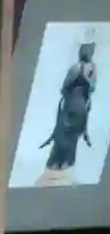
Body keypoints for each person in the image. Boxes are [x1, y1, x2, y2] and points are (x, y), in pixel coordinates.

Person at [40, 39, 97, 176]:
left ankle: (57, 162)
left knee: (65, 133)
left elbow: (65, 86)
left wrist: (69, 95)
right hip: (81, 105)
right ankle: (65, 162)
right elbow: (91, 88)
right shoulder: (90, 69)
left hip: (73, 103)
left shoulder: (77, 68)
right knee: (72, 134)